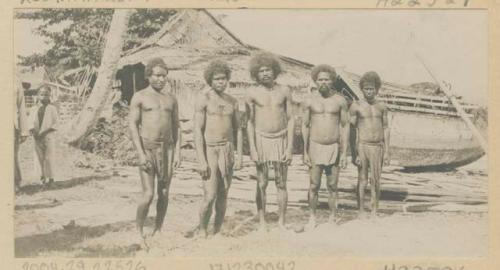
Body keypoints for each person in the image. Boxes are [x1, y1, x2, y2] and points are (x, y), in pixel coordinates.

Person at [129, 58, 181, 241]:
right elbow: (133, 126)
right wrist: (141, 153)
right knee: (148, 194)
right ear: (148, 76)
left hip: (167, 149)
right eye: (157, 75)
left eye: (164, 76)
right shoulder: (140, 96)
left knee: (164, 192)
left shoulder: (171, 99)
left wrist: (177, 153)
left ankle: (158, 229)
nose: (161, 79)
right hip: (148, 148)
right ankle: (138, 231)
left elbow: (176, 127)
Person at [194, 60, 243, 238]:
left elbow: (238, 130)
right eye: (217, 79)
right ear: (210, 80)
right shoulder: (203, 99)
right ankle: (202, 229)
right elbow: (197, 130)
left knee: (223, 193)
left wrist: (239, 156)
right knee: (209, 195)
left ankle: (217, 230)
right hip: (210, 150)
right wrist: (201, 159)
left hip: (227, 149)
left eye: (223, 79)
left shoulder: (233, 101)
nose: (221, 82)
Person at [246, 53, 294, 231]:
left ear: (275, 71)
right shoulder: (251, 92)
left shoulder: (285, 91)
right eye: (261, 71)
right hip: (261, 139)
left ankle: (281, 221)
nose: (265, 73)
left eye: (268, 70)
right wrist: (253, 148)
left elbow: (291, 120)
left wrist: (289, 147)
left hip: (281, 138)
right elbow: (249, 122)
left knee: (282, 183)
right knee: (262, 183)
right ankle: (262, 222)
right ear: (255, 74)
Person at [302, 65, 349, 228]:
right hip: (315, 146)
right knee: (314, 184)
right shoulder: (309, 100)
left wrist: (344, 153)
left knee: (332, 185)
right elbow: (305, 125)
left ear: (332, 81)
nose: (323, 82)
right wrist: (305, 152)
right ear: (315, 81)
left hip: (333, 147)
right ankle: (312, 218)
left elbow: (345, 126)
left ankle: (332, 218)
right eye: (320, 79)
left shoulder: (340, 101)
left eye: (326, 79)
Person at [349, 71, 390, 216]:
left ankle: (374, 210)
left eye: (372, 88)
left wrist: (387, 151)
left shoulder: (382, 106)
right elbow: (352, 131)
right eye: (366, 88)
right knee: (362, 179)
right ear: (362, 89)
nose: (369, 91)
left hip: (377, 146)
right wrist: (355, 153)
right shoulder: (356, 106)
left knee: (376, 180)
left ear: (377, 89)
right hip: (363, 146)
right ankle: (360, 210)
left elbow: (385, 128)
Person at [29, 85, 58, 186]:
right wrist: (33, 132)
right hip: (37, 137)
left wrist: (44, 132)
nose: (43, 97)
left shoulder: (52, 108)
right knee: (38, 157)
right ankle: (42, 177)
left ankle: (51, 179)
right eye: (41, 94)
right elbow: (30, 122)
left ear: (50, 95)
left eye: (46, 94)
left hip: (48, 136)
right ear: (37, 95)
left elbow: (55, 124)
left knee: (49, 157)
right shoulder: (33, 108)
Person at [14, 79, 29, 191]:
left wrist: (24, 130)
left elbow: (21, 107)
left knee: (11, 155)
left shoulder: (15, 80)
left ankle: (14, 183)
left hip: (11, 125)